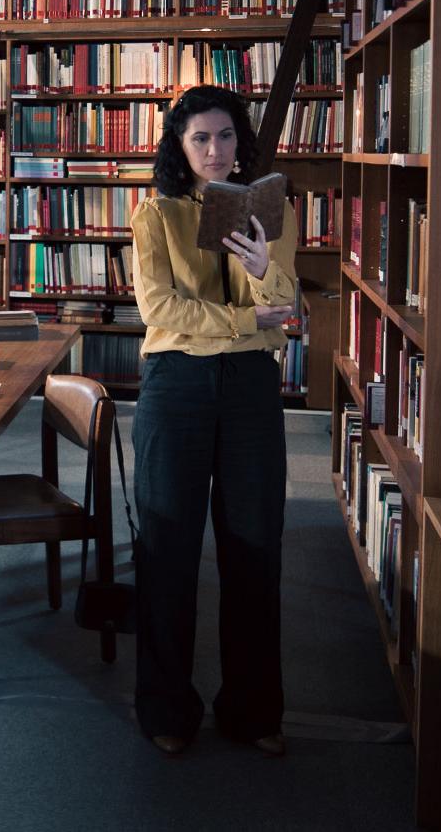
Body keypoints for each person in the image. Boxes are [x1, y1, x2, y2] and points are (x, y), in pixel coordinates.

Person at [129, 84, 297, 757]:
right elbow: (159, 309)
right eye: (199, 137)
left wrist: (262, 270)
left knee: (254, 547)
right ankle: (167, 710)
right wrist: (244, 319)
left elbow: (284, 305)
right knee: (167, 547)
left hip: (250, 386)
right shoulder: (156, 215)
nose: (214, 150)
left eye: (225, 136)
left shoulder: (271, 208)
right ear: (179, 144)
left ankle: (253, 712)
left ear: (239, 141)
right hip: (177, 384)